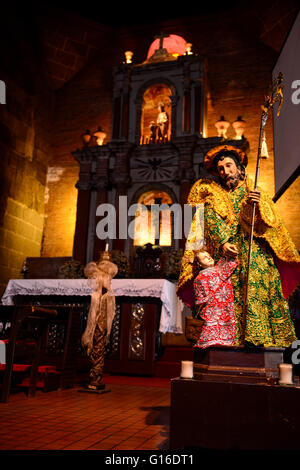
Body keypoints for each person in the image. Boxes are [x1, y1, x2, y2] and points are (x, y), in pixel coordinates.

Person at [177, 144, 300, 348]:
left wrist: (257, 207)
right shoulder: (212, 196)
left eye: (229, 166)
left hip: (254, 254)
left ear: (239, 168)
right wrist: (224, 242)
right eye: (221, 169)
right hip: (226, 258)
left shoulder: (255, 191)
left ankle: (258, 343)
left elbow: (270, 226)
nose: (225, 172)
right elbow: (208, 221)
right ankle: (226, 342)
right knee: (227, 298)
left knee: (255, 292)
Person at [192, 249, 238, 348]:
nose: (208, 257)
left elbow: (232, 262)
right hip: (212, 308)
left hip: (226, 305)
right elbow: (200, 298)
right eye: (204, 258)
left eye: (209, 255)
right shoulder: (199, 278)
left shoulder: (220, 268)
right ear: (199, 264)